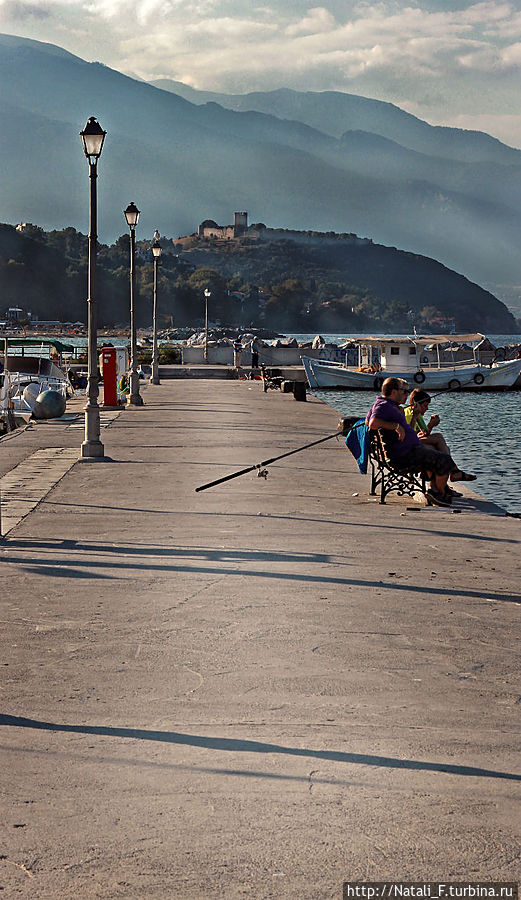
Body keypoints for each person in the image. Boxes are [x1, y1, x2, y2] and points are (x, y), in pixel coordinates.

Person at [365, 377, 476, 507]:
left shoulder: (388, 405)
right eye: (403, 390)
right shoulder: (384, 405)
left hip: (406, 450)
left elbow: (367, 421)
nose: (405, 394)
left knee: (439, 456)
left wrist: (408, 420)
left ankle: (437, 489)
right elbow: (372, 423)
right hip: (402, 456)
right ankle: (438, 493)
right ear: (394, 392)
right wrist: (396, 426)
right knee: (443, 460)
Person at [404, 388, 450, 455]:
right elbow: (409, 436)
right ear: (416, 405)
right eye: (425, 406)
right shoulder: (409, 415)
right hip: (408, 444)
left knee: (439, 436)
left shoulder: (418, 415)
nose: (427, 408)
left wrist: (431, 425)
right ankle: (448, 463)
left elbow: (425, 433)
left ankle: (446, 462)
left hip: (415, 440)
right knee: (438, 442)